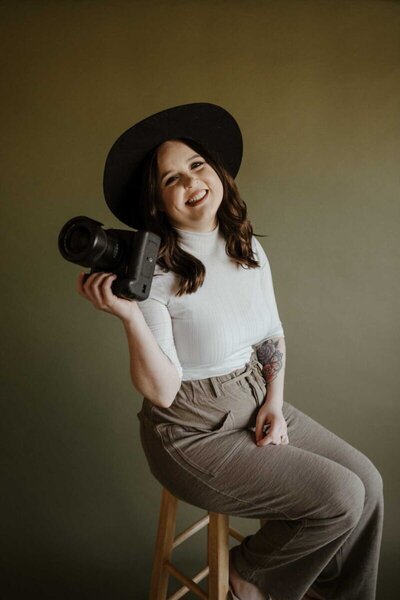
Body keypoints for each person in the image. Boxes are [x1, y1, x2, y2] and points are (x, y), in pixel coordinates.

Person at [77, 103, 384, 600]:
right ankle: (250, 574)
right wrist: (130, 316)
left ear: (217, 172)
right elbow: (163, 388)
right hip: (190, 429)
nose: (190, 181)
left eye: (196, 165)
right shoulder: (153, 272)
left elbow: (271, 334)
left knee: (367, 484)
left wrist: (273, 404)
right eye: (171, 178)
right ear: (157, 201)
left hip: (252, 395)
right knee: (341, 495)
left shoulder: (246, 246)